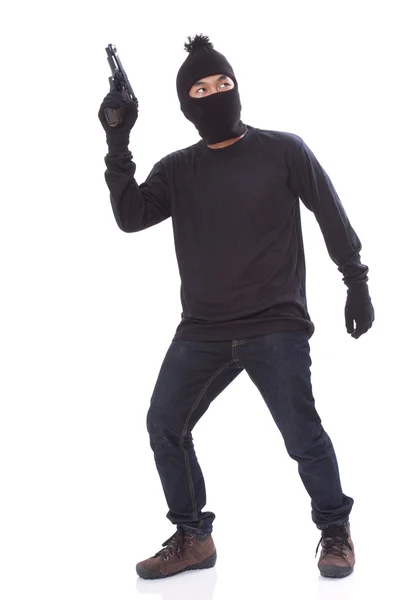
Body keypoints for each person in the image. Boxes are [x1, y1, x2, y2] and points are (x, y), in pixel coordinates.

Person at [98, 34, 375, 580]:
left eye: (223, 83)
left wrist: (356, 279)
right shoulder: (178, 168)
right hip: (202, 328)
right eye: (201, 89)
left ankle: (334, 530)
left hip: (275, 323)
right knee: (164, 424)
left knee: (302, 435)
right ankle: (192, 536)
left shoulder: (284, 149)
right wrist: (117, 140)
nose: (215, 94)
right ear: (186, 107)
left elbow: (329, 212)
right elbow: (130, 216)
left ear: (237, 88)